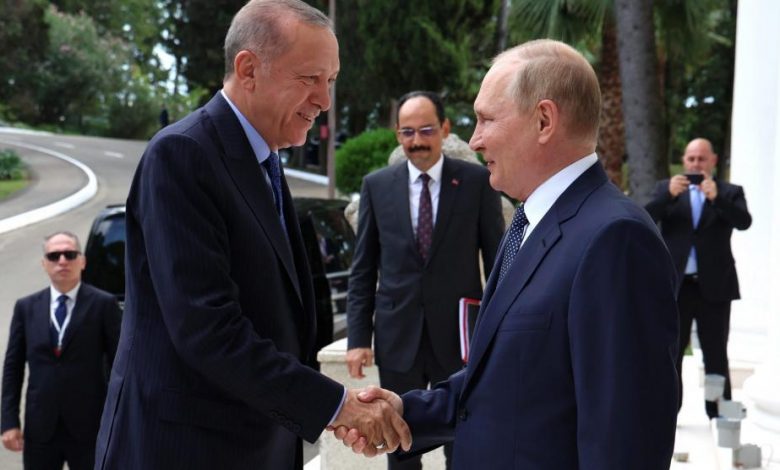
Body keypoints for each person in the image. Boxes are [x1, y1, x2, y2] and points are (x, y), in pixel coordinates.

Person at [93, 1, 409, 469]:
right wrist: (336, 405)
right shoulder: (183, 154)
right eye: (310, 78)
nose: (324, 101)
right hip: (183, 450)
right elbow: (207, 329)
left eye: (330, 81)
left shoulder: (265, 160)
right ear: (248, 70)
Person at [337, 39, 680, 469]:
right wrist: (406, 413)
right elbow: (503, 381)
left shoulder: (616, 240)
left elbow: (625, 442)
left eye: (486, 119)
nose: (474, 140)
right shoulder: (529, 223)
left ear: (543, 121)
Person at [346, 91, 504, 469]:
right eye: (407, 132)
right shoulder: (376, 186)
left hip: (458, 340)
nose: (416, 141)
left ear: (445, 129)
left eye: (426, 130)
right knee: (398, 443)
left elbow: (499, 263)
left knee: (464, 439)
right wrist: (358, 339)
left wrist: (500, 332)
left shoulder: (477, 182)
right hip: (397, 337)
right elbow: (363, 269)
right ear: (398, 134)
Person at [645, 137, 752, 419]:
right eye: (691, 159)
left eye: (701, 159)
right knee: (671, 352)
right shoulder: (667, 189)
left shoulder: (729, 191)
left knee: (716, 352)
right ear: (684, 160)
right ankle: (668, 411)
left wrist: (717, 198)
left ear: (713, 161)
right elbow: (644, 217)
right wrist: (668, 196)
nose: (695, 164)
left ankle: (718, 411)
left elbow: (744, 222)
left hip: (715, 286)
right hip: (676, 287)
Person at [1, 231, 121, 470]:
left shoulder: (104, 304)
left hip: (90, 427)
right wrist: (9, 422)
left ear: (82, 261)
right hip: (41, 429)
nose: (62, 261)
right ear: (44, 264)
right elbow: (13, 368)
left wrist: (119, 420)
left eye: (70, 254)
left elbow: (120, 366)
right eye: (54, 256)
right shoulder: (26, 308)